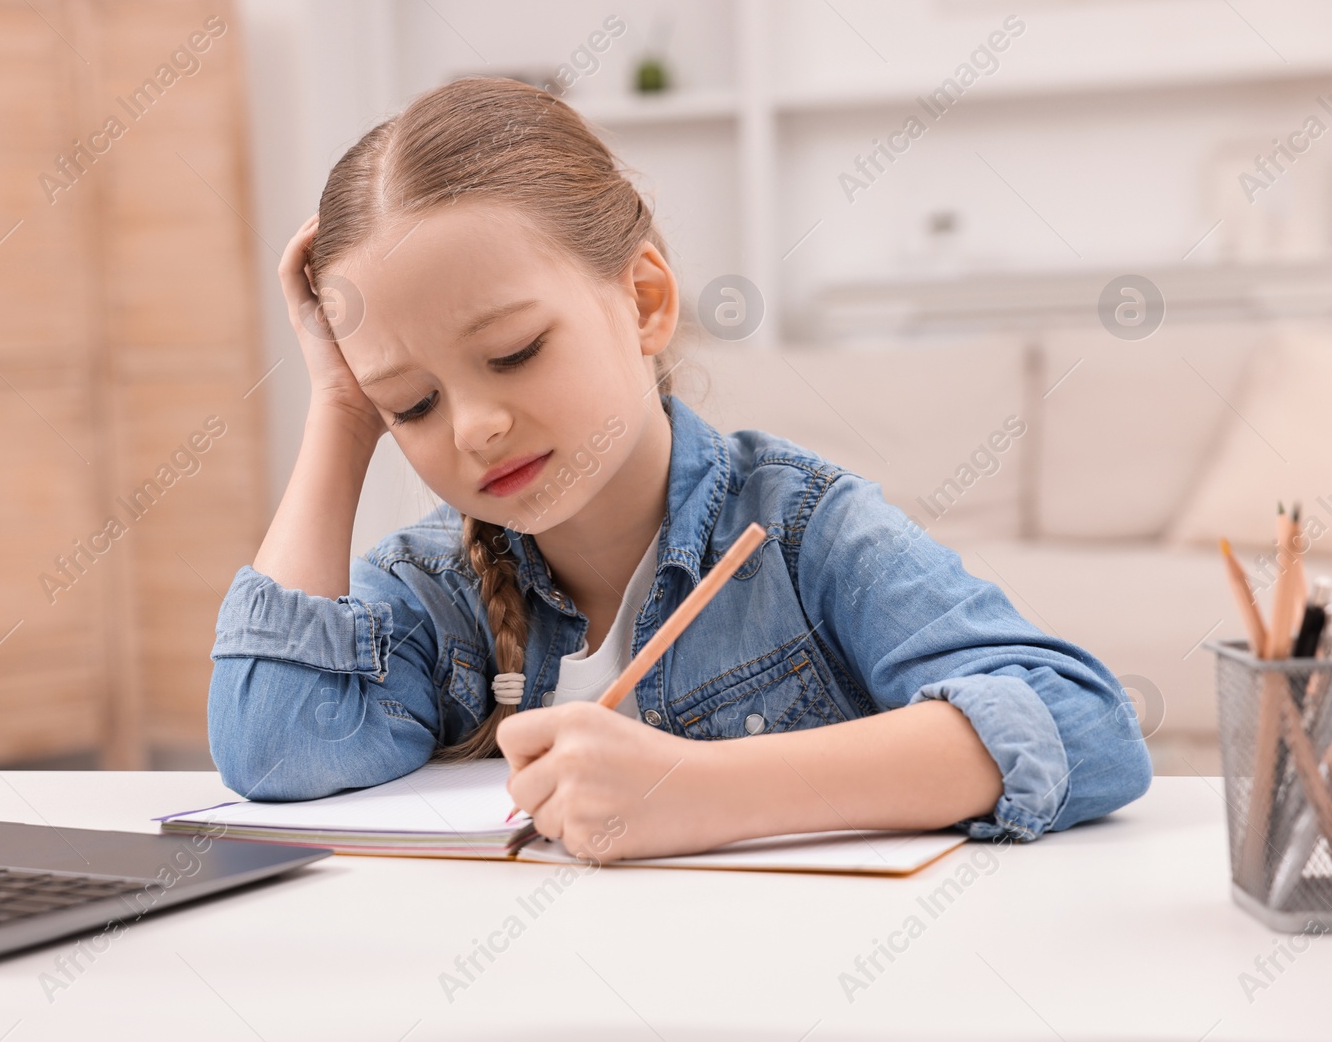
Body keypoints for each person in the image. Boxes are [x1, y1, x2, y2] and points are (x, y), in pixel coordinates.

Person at [208, 76, 1151, 863]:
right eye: (412, 403)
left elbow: (1083, 724)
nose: (478, 427)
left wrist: (692, 793)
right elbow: (276, 743)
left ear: (644, 300)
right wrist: (339, 413)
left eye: (515, 351)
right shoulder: (437, 587)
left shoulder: (800, 529)